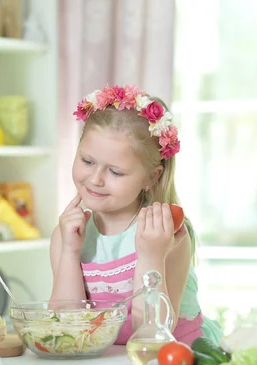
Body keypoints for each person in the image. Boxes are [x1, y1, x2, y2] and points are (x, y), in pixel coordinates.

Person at [49, 84, 222, 346]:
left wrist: (152, 255)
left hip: (173, 360)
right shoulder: (68, 233)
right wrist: (70, 253)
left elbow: (152, 333)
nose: (95, 179)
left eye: (115, 172)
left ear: (151, 177)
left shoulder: (167, 231)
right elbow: (68, 327)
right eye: (87, 161)